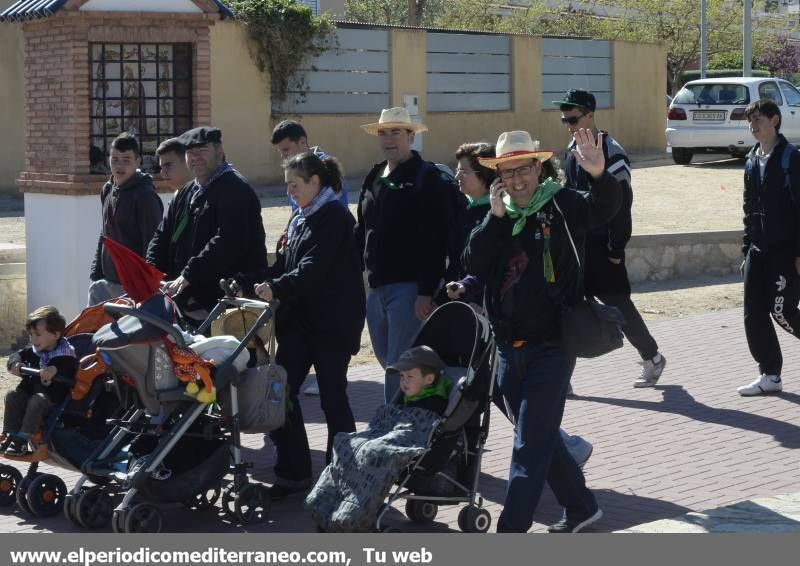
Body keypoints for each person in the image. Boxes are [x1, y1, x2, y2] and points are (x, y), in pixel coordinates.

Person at [465, 129, 622, 533]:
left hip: (551, 346)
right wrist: (496, 220)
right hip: (506, 350)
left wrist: (600, 174)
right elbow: (474, 263)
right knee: (539, 435)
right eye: (507, 172)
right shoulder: (498, 216)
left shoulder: (562, 204)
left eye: (523, 171)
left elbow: (604, 209)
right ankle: (581, 506)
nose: (517, 181)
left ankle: (510, 531)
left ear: (538, 167)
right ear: (498, 175)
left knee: (529, 446)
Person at [244, 152, 365, 499]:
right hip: (299, 325)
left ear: (315, 182)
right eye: (287, 186)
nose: (289, 193)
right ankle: (293, 472)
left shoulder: (335, 217)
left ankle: (341, 479)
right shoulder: (300, 219)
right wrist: (249, 281)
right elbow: (283, 264)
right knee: (279, 394)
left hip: (331, 327)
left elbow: (313, 268)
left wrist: (278, 287)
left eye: (295, 185)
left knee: (333, 400)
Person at [556, 89, 667, 388]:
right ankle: (561, 378)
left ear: (591, 114)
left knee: (619, 307)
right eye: (565, 119)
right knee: (568, 309)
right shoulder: (571, 148)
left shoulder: (613, 154)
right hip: (577, 247)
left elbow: (621, 206)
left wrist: (616, 247)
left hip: (603, 248)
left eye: (574, 118)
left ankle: (652, 357)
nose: (568, 124)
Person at [355, 107, 454, 403]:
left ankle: (396, 429)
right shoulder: (374, 175)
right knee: (390, 363)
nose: (389, 139)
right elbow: (363, 230)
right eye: (383, 133)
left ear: (411, 136)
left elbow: (436, 241)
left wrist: (425, 291)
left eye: (396, 132)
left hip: (409, 290)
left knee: (402, 367)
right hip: (376, 289)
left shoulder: (428, 178)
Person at [146, 126, 268, 318]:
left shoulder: (235, 189)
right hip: (186, 301)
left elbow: (228, 241)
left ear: (219, 151)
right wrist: (151, 272)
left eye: (202, 151)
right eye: (190, 153)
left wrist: (188, 274)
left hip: (227, 303)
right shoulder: (187, 192)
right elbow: (162, 235)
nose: (195, 157)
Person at [738, 98, 800, 396]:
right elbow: (749, 207)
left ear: (775, 121)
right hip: (757, 251)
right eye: (750, 122)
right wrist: (746, 248)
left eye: (759, 120)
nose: (753, 127)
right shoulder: (751, 159)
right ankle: (770, 374)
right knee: (753, 313)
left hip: (785, 252)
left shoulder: (791, 159)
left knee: (783, 311)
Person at [88, 133, 164, 306]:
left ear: (138, 162)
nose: (119, 166)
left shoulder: (145, 196)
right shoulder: (108, 189)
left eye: (126, 160)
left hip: (133, 288)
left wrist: (145, 287)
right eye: (115, 159)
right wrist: (95, 274)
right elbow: (105, 234)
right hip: (105, 283)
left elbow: (153, 244)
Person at [1, 306, 77, 456]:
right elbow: (16, 355)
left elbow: (67, 366)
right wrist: (16, 364)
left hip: (52, 401)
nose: (33, 339)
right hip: (30, 394)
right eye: (30, 335)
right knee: (12, 395)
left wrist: (53, 370)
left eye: (37, 335)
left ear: (55, 335)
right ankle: (11, 433)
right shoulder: (34, 349)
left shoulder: (66, 353)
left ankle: (23, 439)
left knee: (37, 400)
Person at [271, 120, 349, 210]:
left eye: (286, 149)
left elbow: (336, 212)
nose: (283, 156)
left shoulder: (327, 170)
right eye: (280, 152)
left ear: (302, 142)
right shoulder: (294, 170)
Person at [388, 345, 453, 415]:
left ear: (429, 379)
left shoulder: (434, 404)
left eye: (410, 376)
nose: (404, 380)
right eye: (401, 375)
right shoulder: (408, 394)